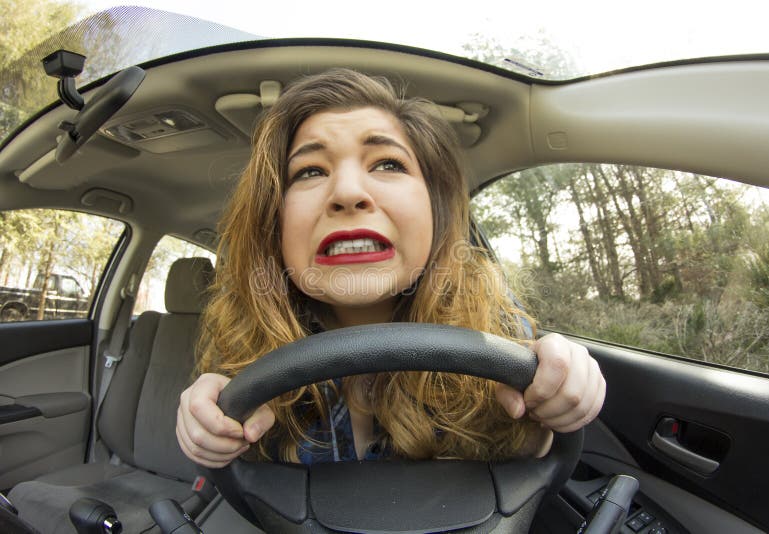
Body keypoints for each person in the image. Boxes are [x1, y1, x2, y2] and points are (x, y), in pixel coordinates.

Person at [177, 68, 606, 468]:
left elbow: (530, 455)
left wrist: (559, 392)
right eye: (309, 171)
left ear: (435, 211)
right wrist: (208, 421)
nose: (346, 192)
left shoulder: (498, 330)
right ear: (276, 224)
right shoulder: (242, 354)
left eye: (387, 164)